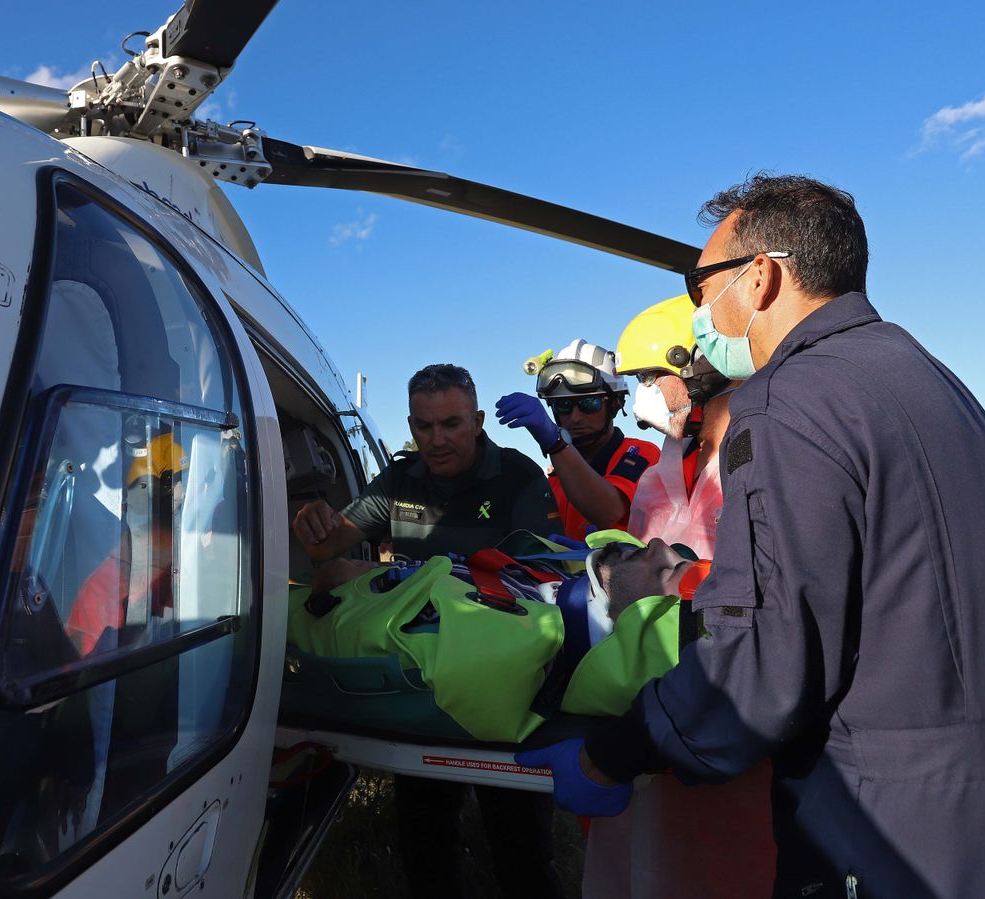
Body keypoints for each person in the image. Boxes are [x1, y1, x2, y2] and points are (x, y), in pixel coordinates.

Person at [521, 174, 985, 896]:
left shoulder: (789, 398)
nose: (700, 316)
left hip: (896, 833)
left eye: (703, 290)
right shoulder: (926, 375)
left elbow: (761, 660)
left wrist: (616, 749)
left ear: (758, 276)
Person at [291, 363, 566, 899]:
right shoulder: (400, 479)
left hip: (500, 680)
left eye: (451, 424)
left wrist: (400, 576)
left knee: (520, 845)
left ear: (479, 420)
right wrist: (314, 524)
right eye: (423, 426)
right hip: (419, 685)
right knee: (423, 834)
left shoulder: (518, 476)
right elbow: (331, 545)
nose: (436, 440)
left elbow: (537, 579)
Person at [573, 296, 776, 898]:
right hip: (650, 697)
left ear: (695, 370)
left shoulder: (758, 456)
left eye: (645, 378)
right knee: (644, 860)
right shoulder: (663, 468)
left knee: (731, 864)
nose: (639, 395)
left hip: (728, 699)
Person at [495, 340, 659, 542]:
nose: (575, 417)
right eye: (563, 405)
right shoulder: (556, 477)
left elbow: (610, 512)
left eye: (589, 403)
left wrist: (556, 444)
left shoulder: (642, 453)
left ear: (616, 404)